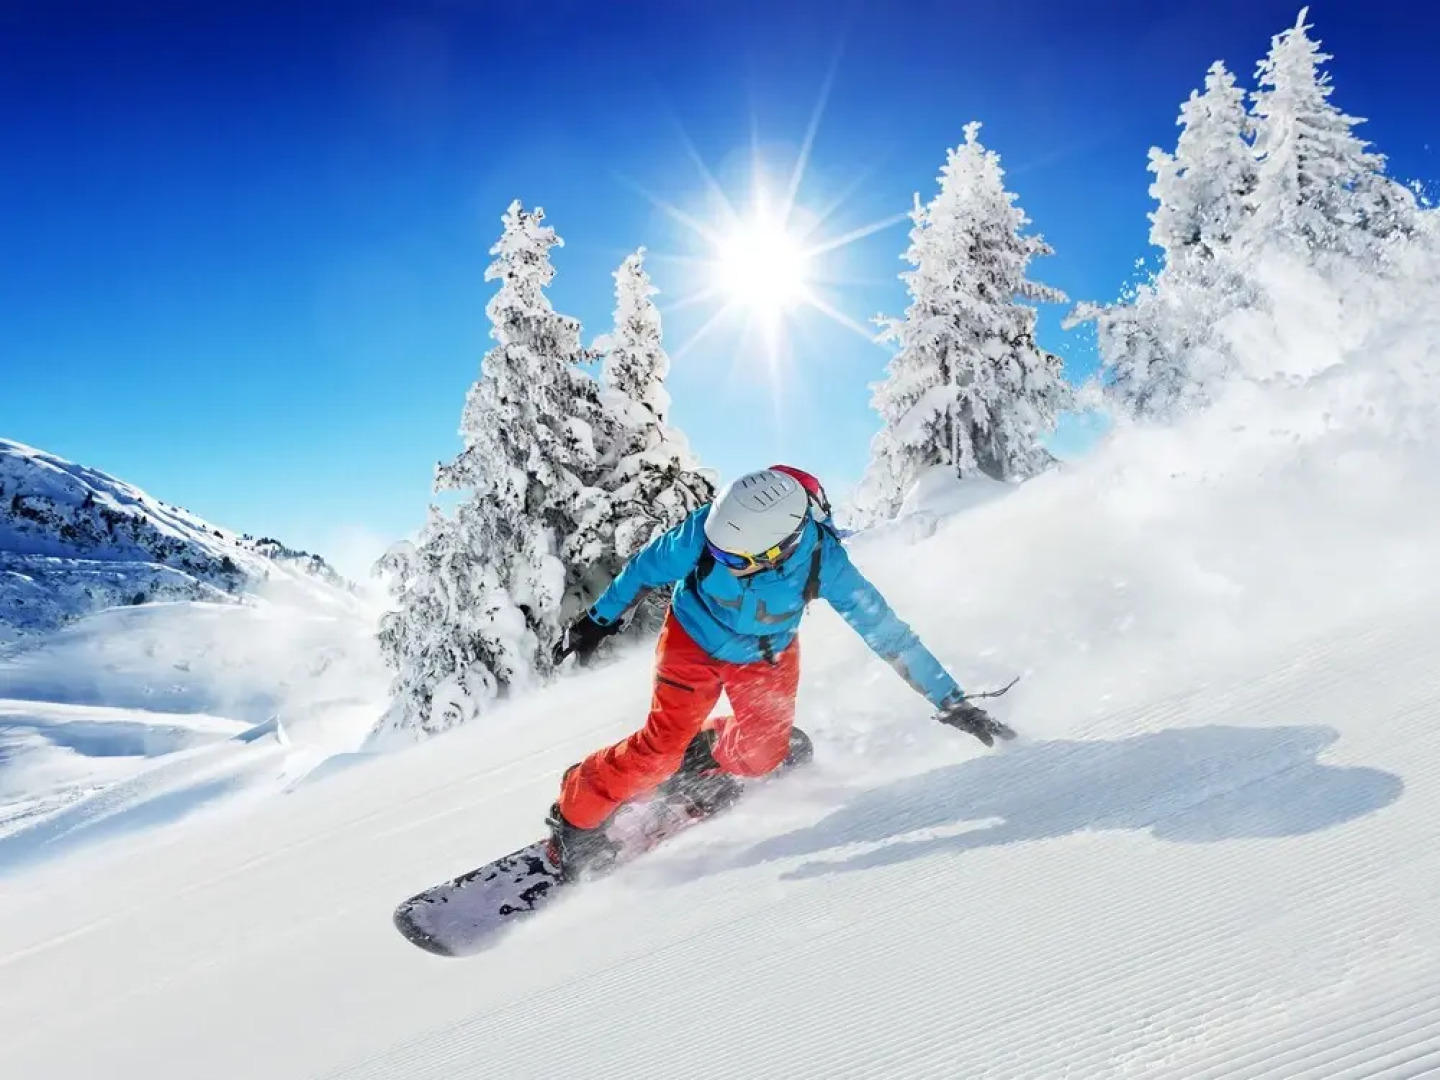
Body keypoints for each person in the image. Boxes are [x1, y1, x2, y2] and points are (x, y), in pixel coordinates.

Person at [546, 467, 1014, 879]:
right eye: (719, 551)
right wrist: (598, 620)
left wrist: (951, 700)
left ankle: (705, 748)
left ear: (778, 548)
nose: (720, 556)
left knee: (764, 757)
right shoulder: (708, 532)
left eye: (734, 559)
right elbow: (645, 570)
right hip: (692, 639)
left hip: (765, 656)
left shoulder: (825, 563)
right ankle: (576, 811)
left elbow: (888, 634)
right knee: (657, 753)